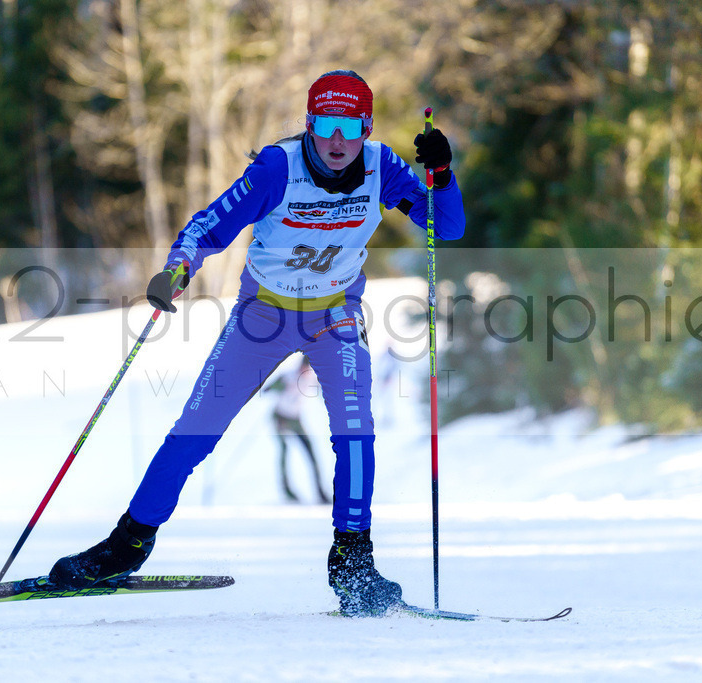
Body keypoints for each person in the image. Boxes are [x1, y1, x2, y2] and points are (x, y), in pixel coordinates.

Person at [49, 69, 465, 616]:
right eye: (325, 123)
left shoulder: (381, 166)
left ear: (365, 127)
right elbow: (208, 225)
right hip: (262, 317)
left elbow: (446, 226)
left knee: (356, 435)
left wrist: (439, 173)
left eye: (350, 126)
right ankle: (125, 546)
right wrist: (178, 267)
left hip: (334, 317)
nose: (337, 141)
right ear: (311, 123)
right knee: (195, 432)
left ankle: (353, 562)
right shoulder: (278, 168)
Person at [266, 354, 330, 503]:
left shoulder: (312, 379)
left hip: (296, 418)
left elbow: (326, 392)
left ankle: (320, 492)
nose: (305, 372)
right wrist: (279, 386)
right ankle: (288, 491)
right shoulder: (289, 376)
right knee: (284, 451)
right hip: (280, 417)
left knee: (311, 452)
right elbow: (268, 389)